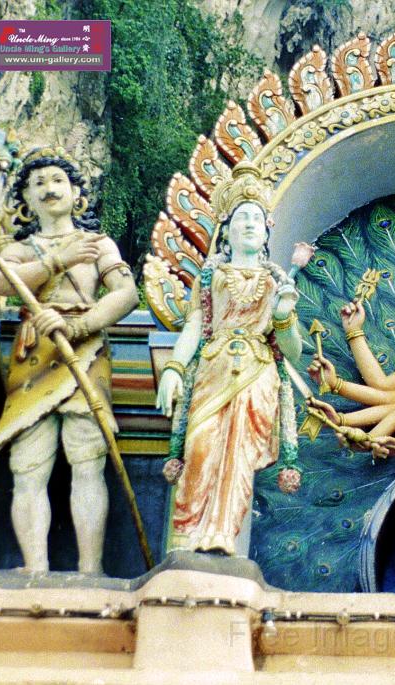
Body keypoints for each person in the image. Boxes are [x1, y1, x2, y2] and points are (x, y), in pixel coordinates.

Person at [0, 147, 138, 575]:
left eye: (58, 181)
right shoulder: (19, 249)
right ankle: (35, 568)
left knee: (87, 456)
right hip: (34, 352)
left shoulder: (97, 244)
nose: (49, 189)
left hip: (83, 349)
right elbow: (2, 282)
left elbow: (126, 294)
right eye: (38, 184)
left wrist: (79, 325)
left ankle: (91, 569)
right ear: (26, 201)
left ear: (77, 195)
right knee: (28, 464)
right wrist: (56, 261)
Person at [155, 163, 303, 557]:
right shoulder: (210, 277)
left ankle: (223, 535)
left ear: (268, 230)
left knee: (239, 456)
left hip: (256, 372)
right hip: (212, 368)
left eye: (256, 218)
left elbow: (292, 350)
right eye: (241, 218)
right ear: (227, 229)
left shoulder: (276, 282)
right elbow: (195, 325)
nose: (249, 224)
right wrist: (173, 368)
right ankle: (186, 538)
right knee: (200, 447)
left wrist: (283, 314)